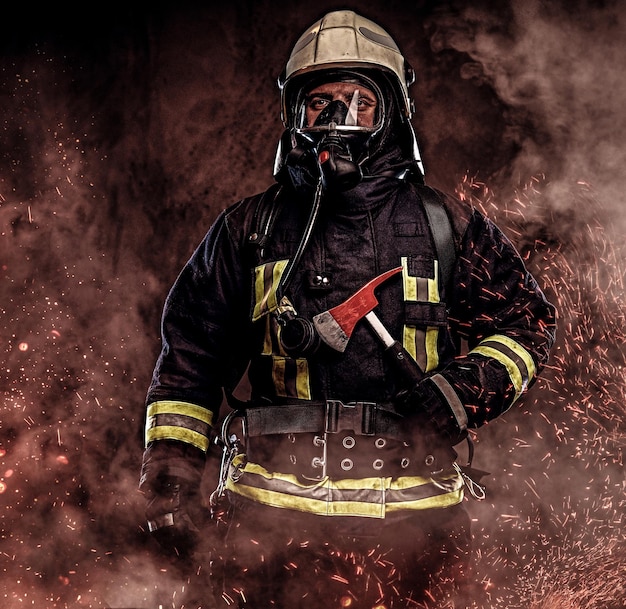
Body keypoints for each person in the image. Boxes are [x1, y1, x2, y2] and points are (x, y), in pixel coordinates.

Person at [139, 9, 556, 609]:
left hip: (417, 535)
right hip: (267, 533)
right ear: (294, 115)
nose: (340, 120)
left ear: (393, 114)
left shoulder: (447, 227)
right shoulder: (248, 231)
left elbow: (527, 323)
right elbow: (190, 364)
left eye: (361, 101)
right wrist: (170, 485)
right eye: (321, 103)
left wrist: (460, 395)